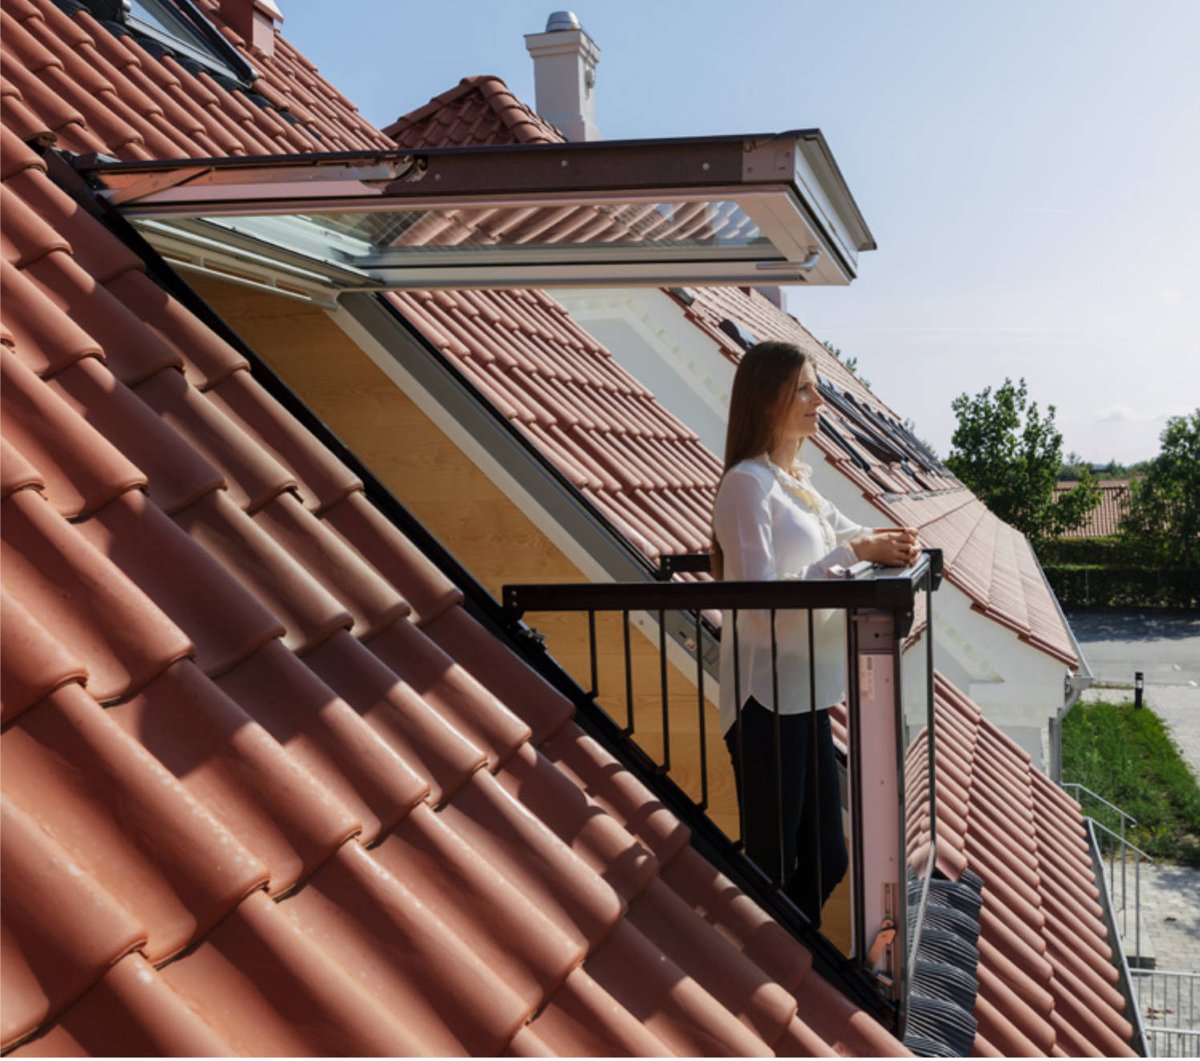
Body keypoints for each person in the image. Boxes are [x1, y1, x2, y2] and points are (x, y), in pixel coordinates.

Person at [711, 340, 919, 927]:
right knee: (774, 866)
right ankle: (769, 973)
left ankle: (784, 965)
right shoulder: (746, 486)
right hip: (766, 703)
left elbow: (849, 534)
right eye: (803, 386)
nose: (817, 399)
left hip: (806, 697)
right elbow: (759, 604)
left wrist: (893, 544)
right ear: (766, 397)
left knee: (828, 858)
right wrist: (853, 551)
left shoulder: (793, 480)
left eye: (814, 386)